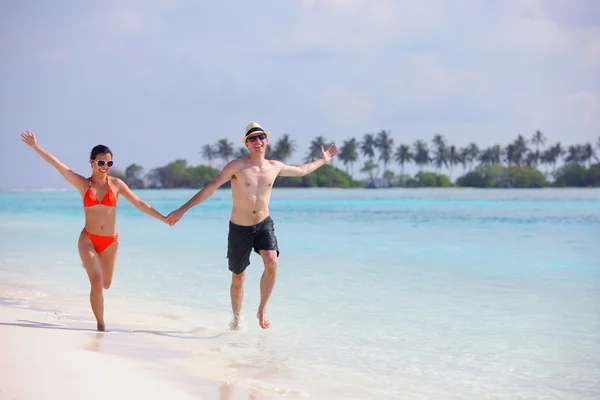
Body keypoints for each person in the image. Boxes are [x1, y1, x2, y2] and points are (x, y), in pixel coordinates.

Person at [166, 122, 338, 330]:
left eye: (261, 137)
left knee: (271, 261)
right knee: (238, 277)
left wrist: (323, 160)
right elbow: (210, 188)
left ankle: (262, 309)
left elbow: (302, 171)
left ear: (267, 140)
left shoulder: (275, 166)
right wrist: (182, 209)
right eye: (252, 138)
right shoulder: (236, 167)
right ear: (247, 144)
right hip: (240, 227)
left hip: (263, 223)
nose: (258, 141)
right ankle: (237, 318)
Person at [20, 130, 169, 331]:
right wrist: (35, 146)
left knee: (106, 284)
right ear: (91, 163)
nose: (105, 167)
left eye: (109, 163)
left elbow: (139, 203)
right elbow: (57, 165)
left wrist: (163, 218)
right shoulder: (83, 184)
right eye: (101, 163)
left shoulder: (116, 184)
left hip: (111, 242)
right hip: (88, 239)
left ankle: (91, 266)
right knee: (96, 280)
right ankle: (100, 325)